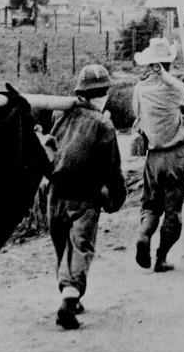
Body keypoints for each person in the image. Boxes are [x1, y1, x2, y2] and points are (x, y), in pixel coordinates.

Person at [45, 64, 127, 329]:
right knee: (80, 245)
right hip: (85, 194)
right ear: (103, 94)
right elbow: (112, 168)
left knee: (62, 244)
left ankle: (70, 293)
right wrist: (116, 197)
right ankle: (69, 300)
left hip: (55, 192)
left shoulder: (60, 112)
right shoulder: (103, 124)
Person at [131, 38, 184, 273]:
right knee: (173, 211)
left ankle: (143, 234)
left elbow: (137, 119)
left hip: (153, 156)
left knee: (150, 206)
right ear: (168, 63)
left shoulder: (140, 89)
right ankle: (161, 257)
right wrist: (168, 76)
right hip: (176, 154)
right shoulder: (172, 88)